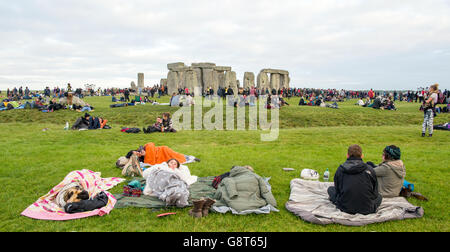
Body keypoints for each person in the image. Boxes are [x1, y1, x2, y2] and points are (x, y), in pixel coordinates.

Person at [327, 144, 382, 215]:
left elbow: (338, 191)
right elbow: (375, 193)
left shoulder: (340, 170)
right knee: (379, 196)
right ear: (362, 156)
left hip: (345, 208)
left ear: (347, 155)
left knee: (331, 190)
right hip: (367, 208)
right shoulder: (370, 169)